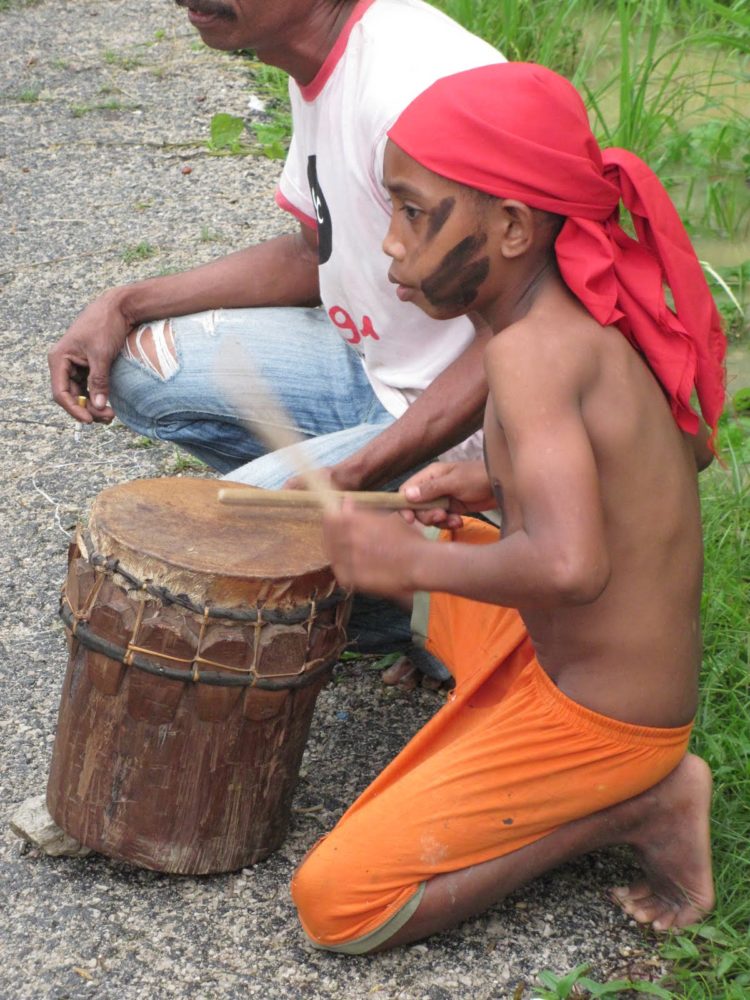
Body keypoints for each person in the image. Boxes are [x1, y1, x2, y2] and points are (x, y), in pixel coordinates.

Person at [289, 61, 725, 954]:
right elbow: (654, 462)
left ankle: (641, 805)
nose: (390, 245)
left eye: (413, 212)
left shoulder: (528, 358)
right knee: (430, 547)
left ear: (514, 227)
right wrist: (494, 483)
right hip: (594, 669)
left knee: (335, 906)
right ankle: (473, 669)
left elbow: (570, 567)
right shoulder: (580, 320)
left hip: (605, 720)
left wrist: (406, 563)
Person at [47, 0, 504, 684]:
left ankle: (439, 590)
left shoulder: (415, 85)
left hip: (474, 428)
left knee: (211, 560)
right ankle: (380, 589)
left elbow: (526, 330)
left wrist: (348, 474)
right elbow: (316, 253)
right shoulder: (315, 58)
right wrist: (122, 303)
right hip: (377, 376)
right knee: (142, 365)